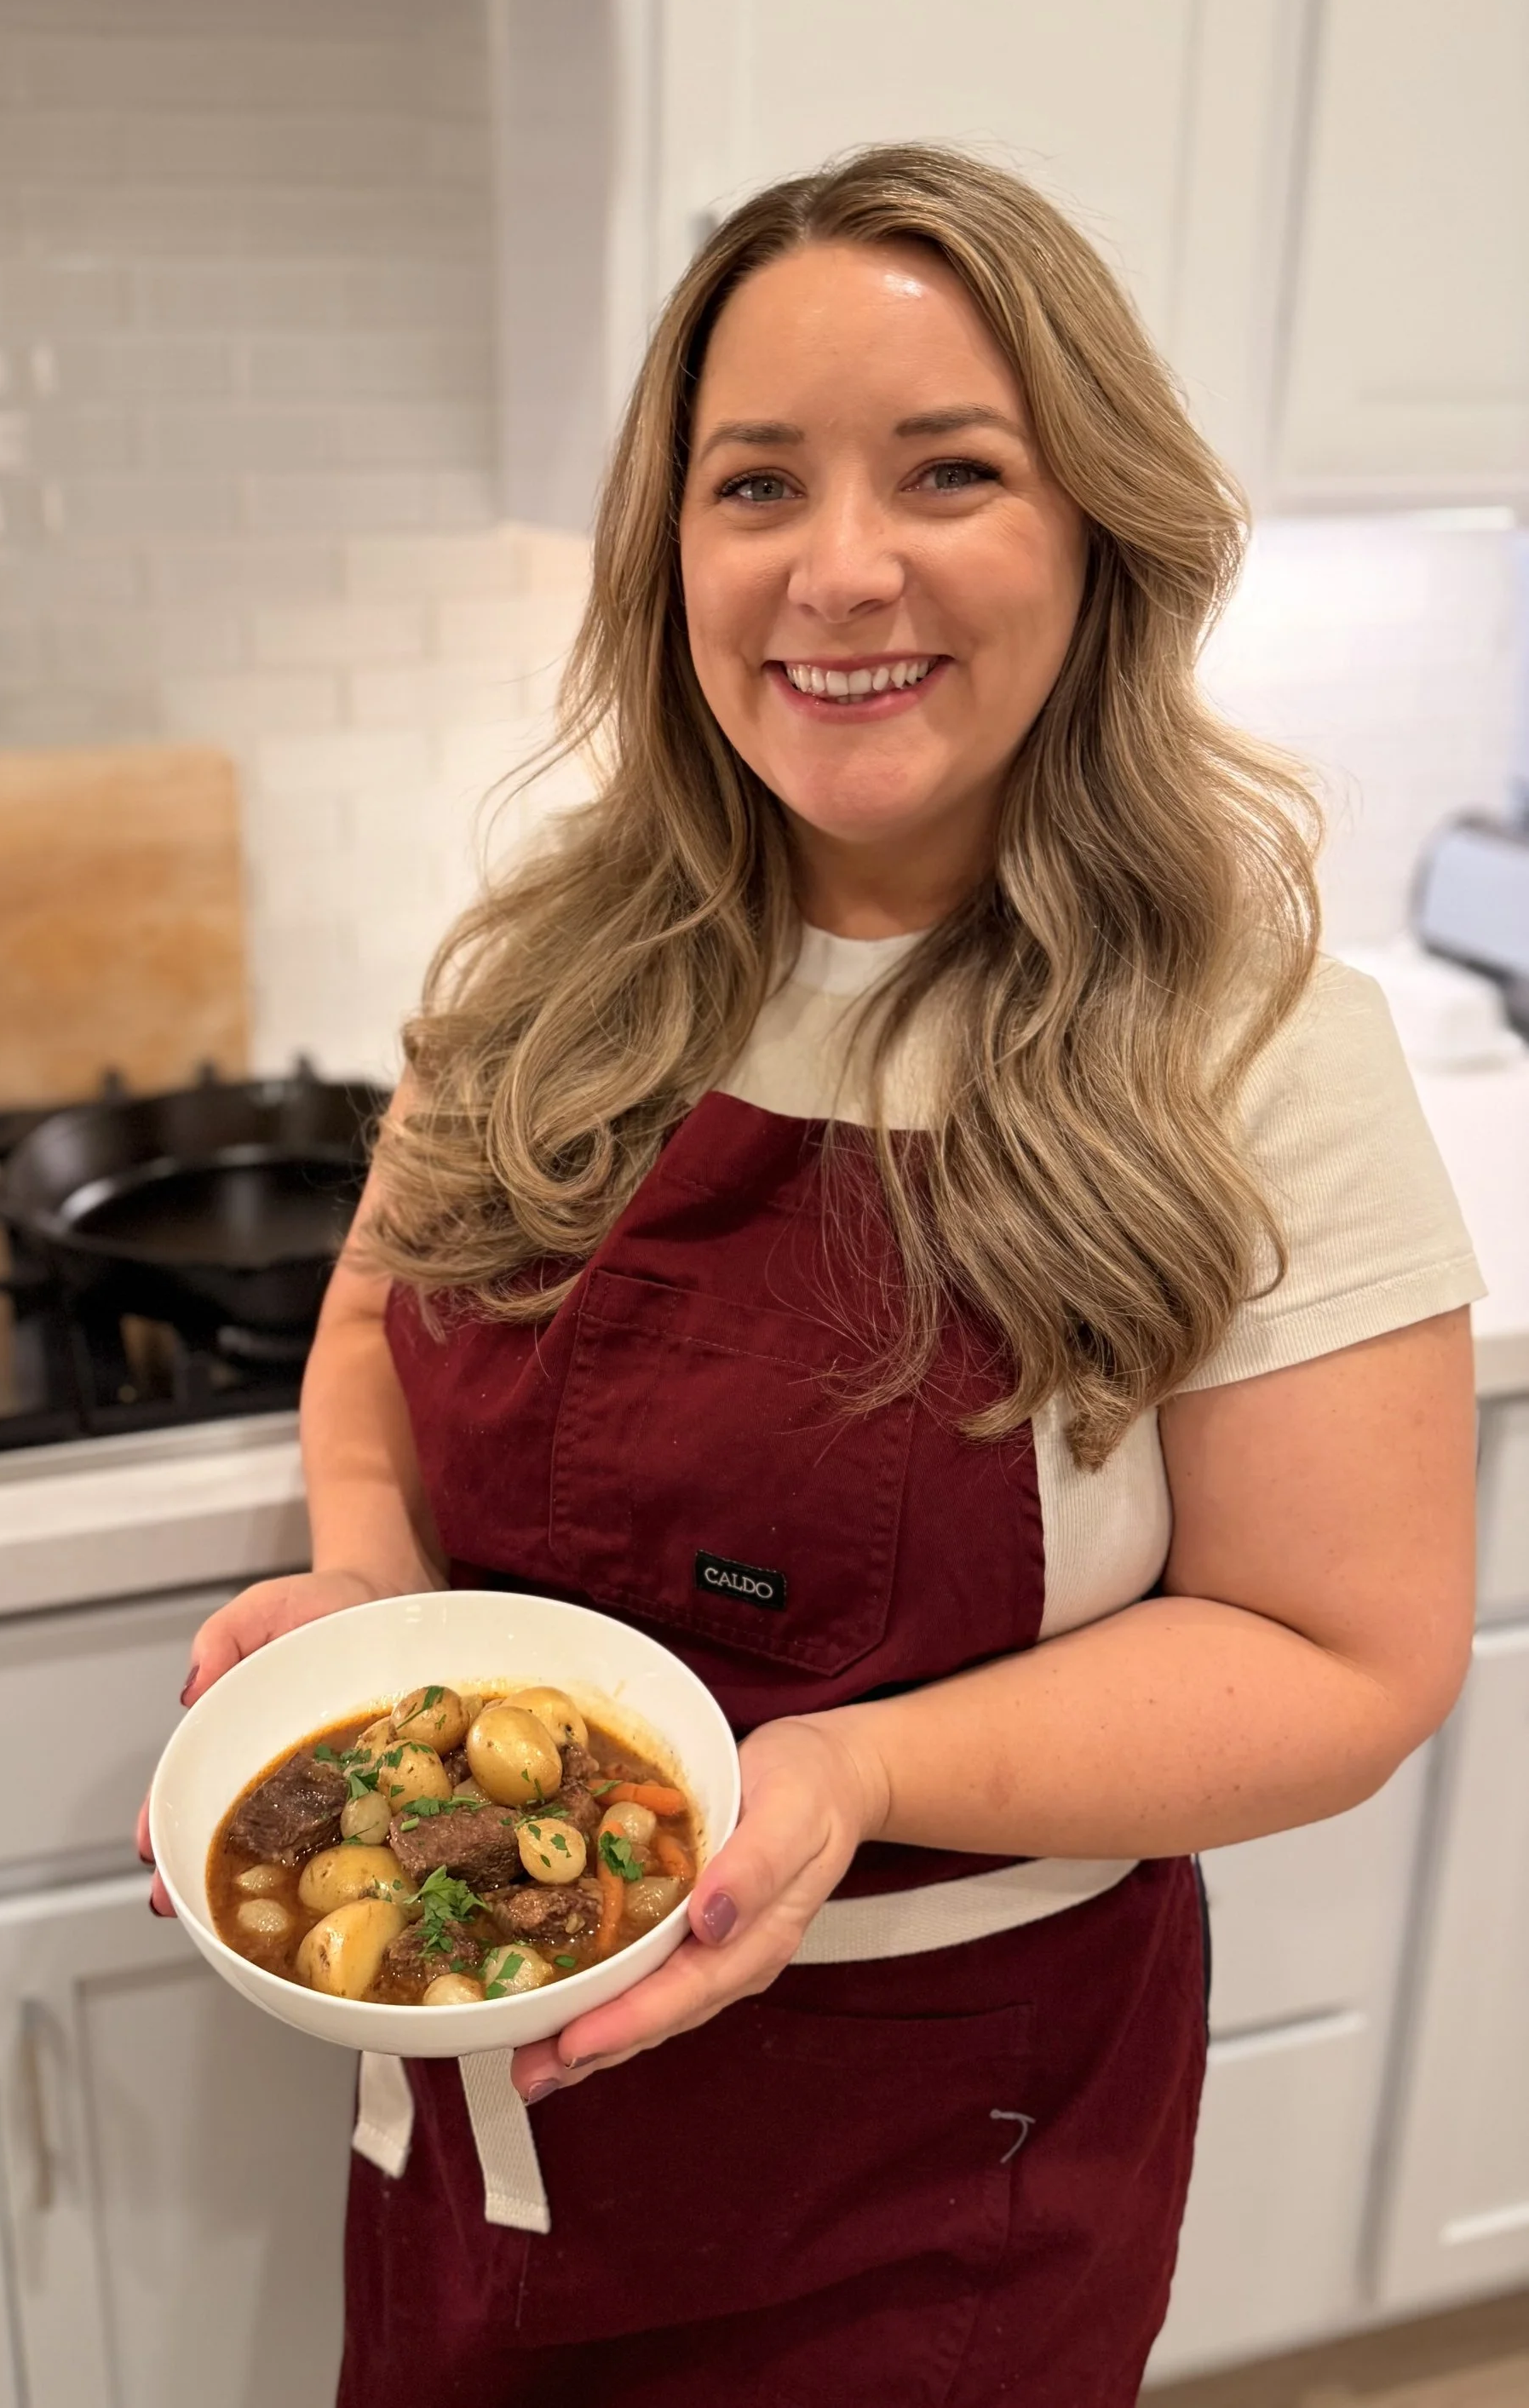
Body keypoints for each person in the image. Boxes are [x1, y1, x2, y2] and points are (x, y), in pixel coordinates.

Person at [146, 146, 1481, 2403]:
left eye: (948, 469)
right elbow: (376, 1328)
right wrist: (366, 1592)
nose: (837, 567)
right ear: (670, 551)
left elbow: (1345, 1650)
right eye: (753, 480)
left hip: (930, 2164)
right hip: (481, 2130)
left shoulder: (1251, 1044)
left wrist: (847, 1774)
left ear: (1095, 532)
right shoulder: (538, 977)